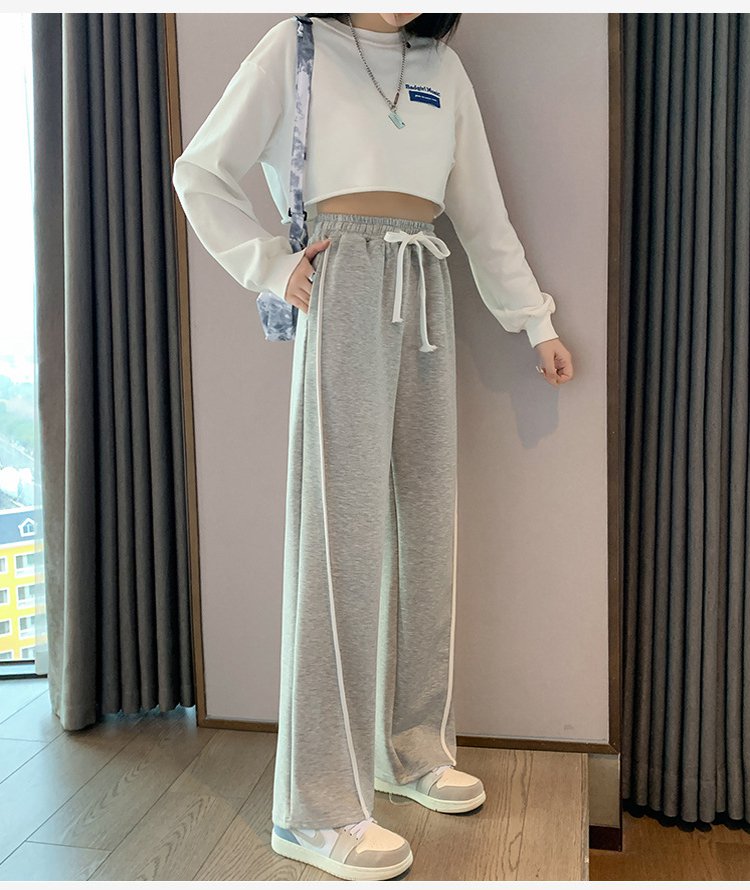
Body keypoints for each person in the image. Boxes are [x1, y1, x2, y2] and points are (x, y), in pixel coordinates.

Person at [172, 11, 575, 881]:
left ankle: (411, 748)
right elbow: (199, 171)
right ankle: (313, 808)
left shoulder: (442, 68)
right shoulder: (296, 45)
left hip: (424, 275)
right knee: (339, 545)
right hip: (342, 279)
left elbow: (481, 211)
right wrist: (269, 265)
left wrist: (533, 319)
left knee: (426, 531)